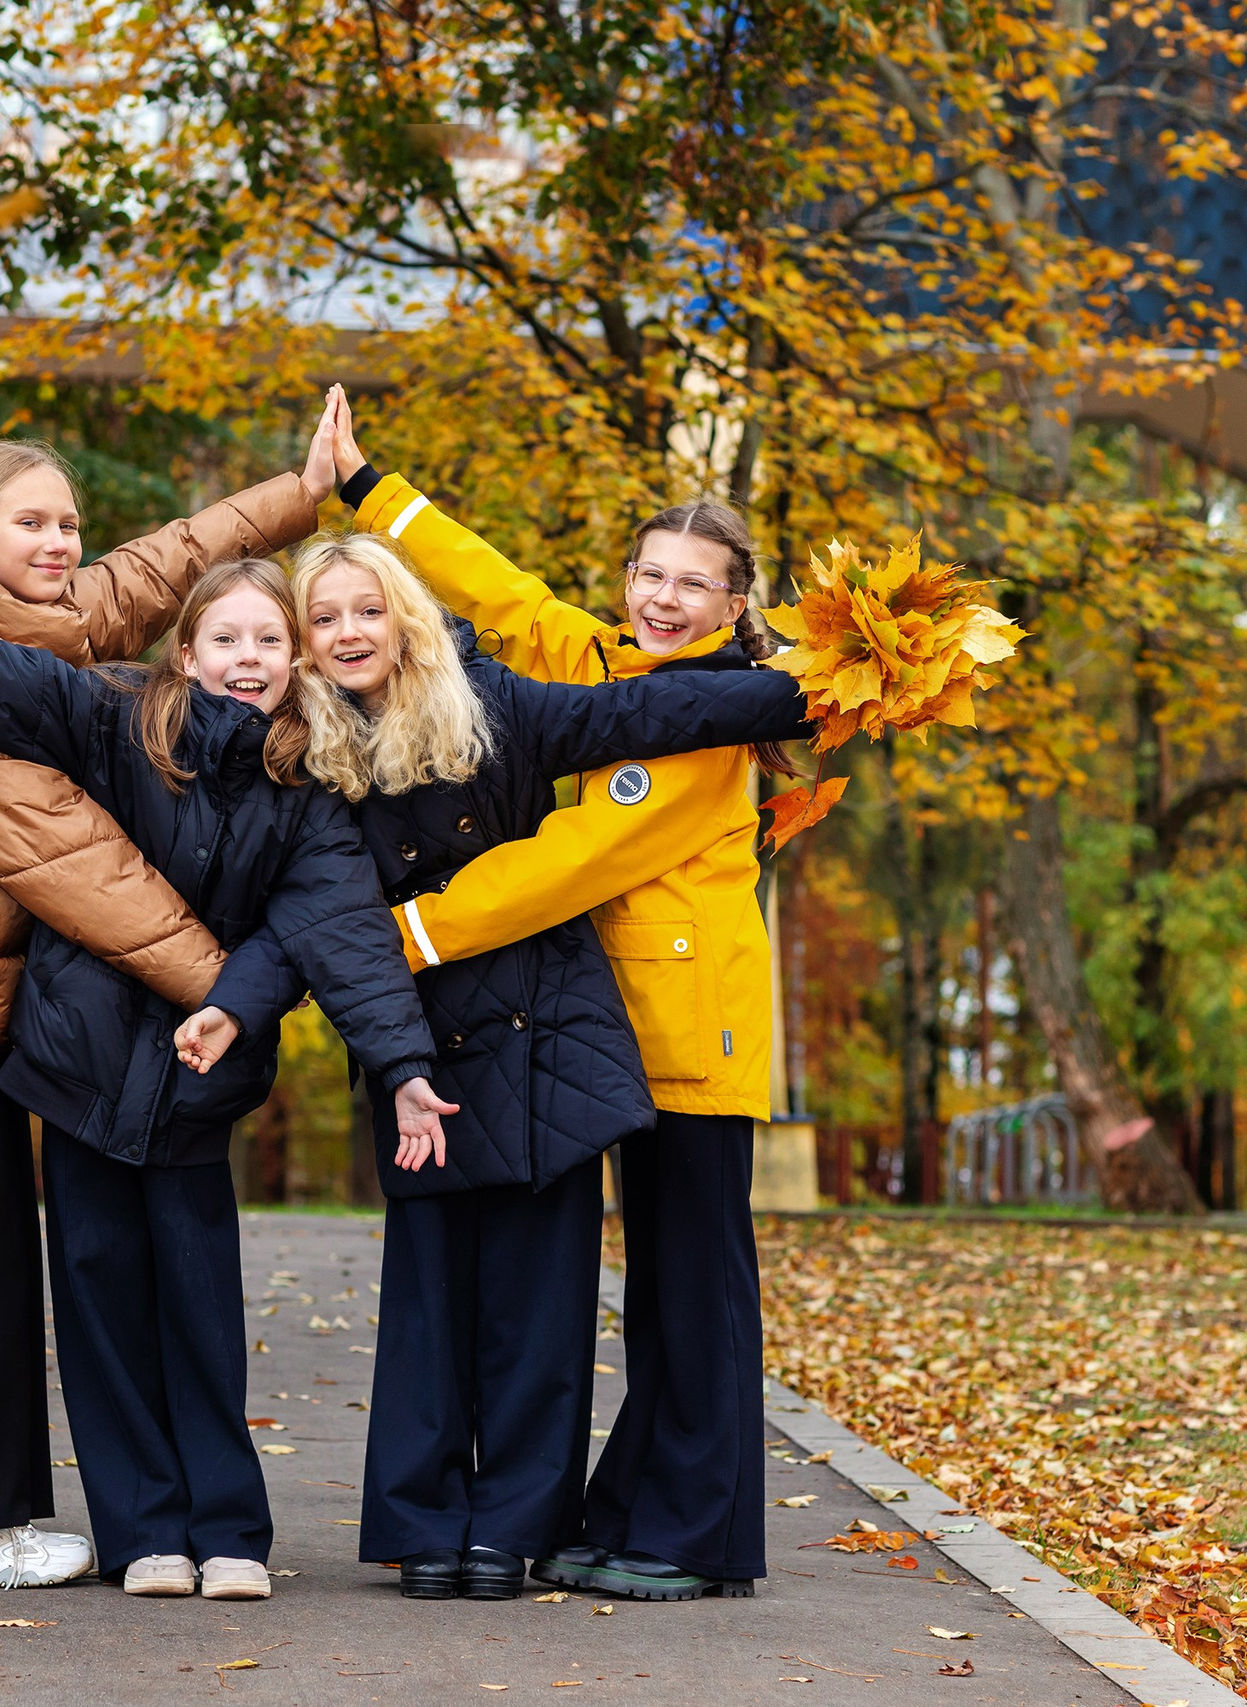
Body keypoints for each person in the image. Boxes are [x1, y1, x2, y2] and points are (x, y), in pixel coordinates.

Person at [174, 529, 812, 1601]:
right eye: (323, 617)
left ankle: (511, 1527)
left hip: (547, 1026)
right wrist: (236, 1004)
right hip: (414, 1035)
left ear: (404, 616)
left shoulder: (497, 705)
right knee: (426, 1292)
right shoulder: (301, 755)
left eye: (366, 610)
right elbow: (310, 913)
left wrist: (804, 690)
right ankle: (424, 1521)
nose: (346, 633)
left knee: (541, 1298)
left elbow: (645, 713)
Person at [0, 559, 456, 1603]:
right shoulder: (116, 719)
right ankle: (142, 1536)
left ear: (294, 661)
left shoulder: (306, 788)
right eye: (225, 640)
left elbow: (342, 933)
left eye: (266, 641)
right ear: (186, 655)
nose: (245, 659)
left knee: (199, 1312)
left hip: (193, 1086)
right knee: (99, 1304)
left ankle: (227, 1534)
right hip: (78, 1073)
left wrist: (399, 1066)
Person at [0, 418, 334, 1590]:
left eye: (66, 522)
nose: (61, 542)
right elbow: (76, 865)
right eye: (30, 523)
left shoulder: (26, 622)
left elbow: (153, 568)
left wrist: (295, 497)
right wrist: (238, 988)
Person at [325, 393, 799, 1601]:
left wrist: (405, 933)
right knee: (651, 1295)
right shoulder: (596, 659)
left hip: (690, 1031)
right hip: (615, 1035)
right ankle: (638, 1508)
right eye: (650, 574)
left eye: (694, 585)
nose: (664, 599)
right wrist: (370, 491)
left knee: (693, 1287)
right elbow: (496, 587)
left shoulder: (706, 728)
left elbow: (572, 862)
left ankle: (698, 1536)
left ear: (734, 605)